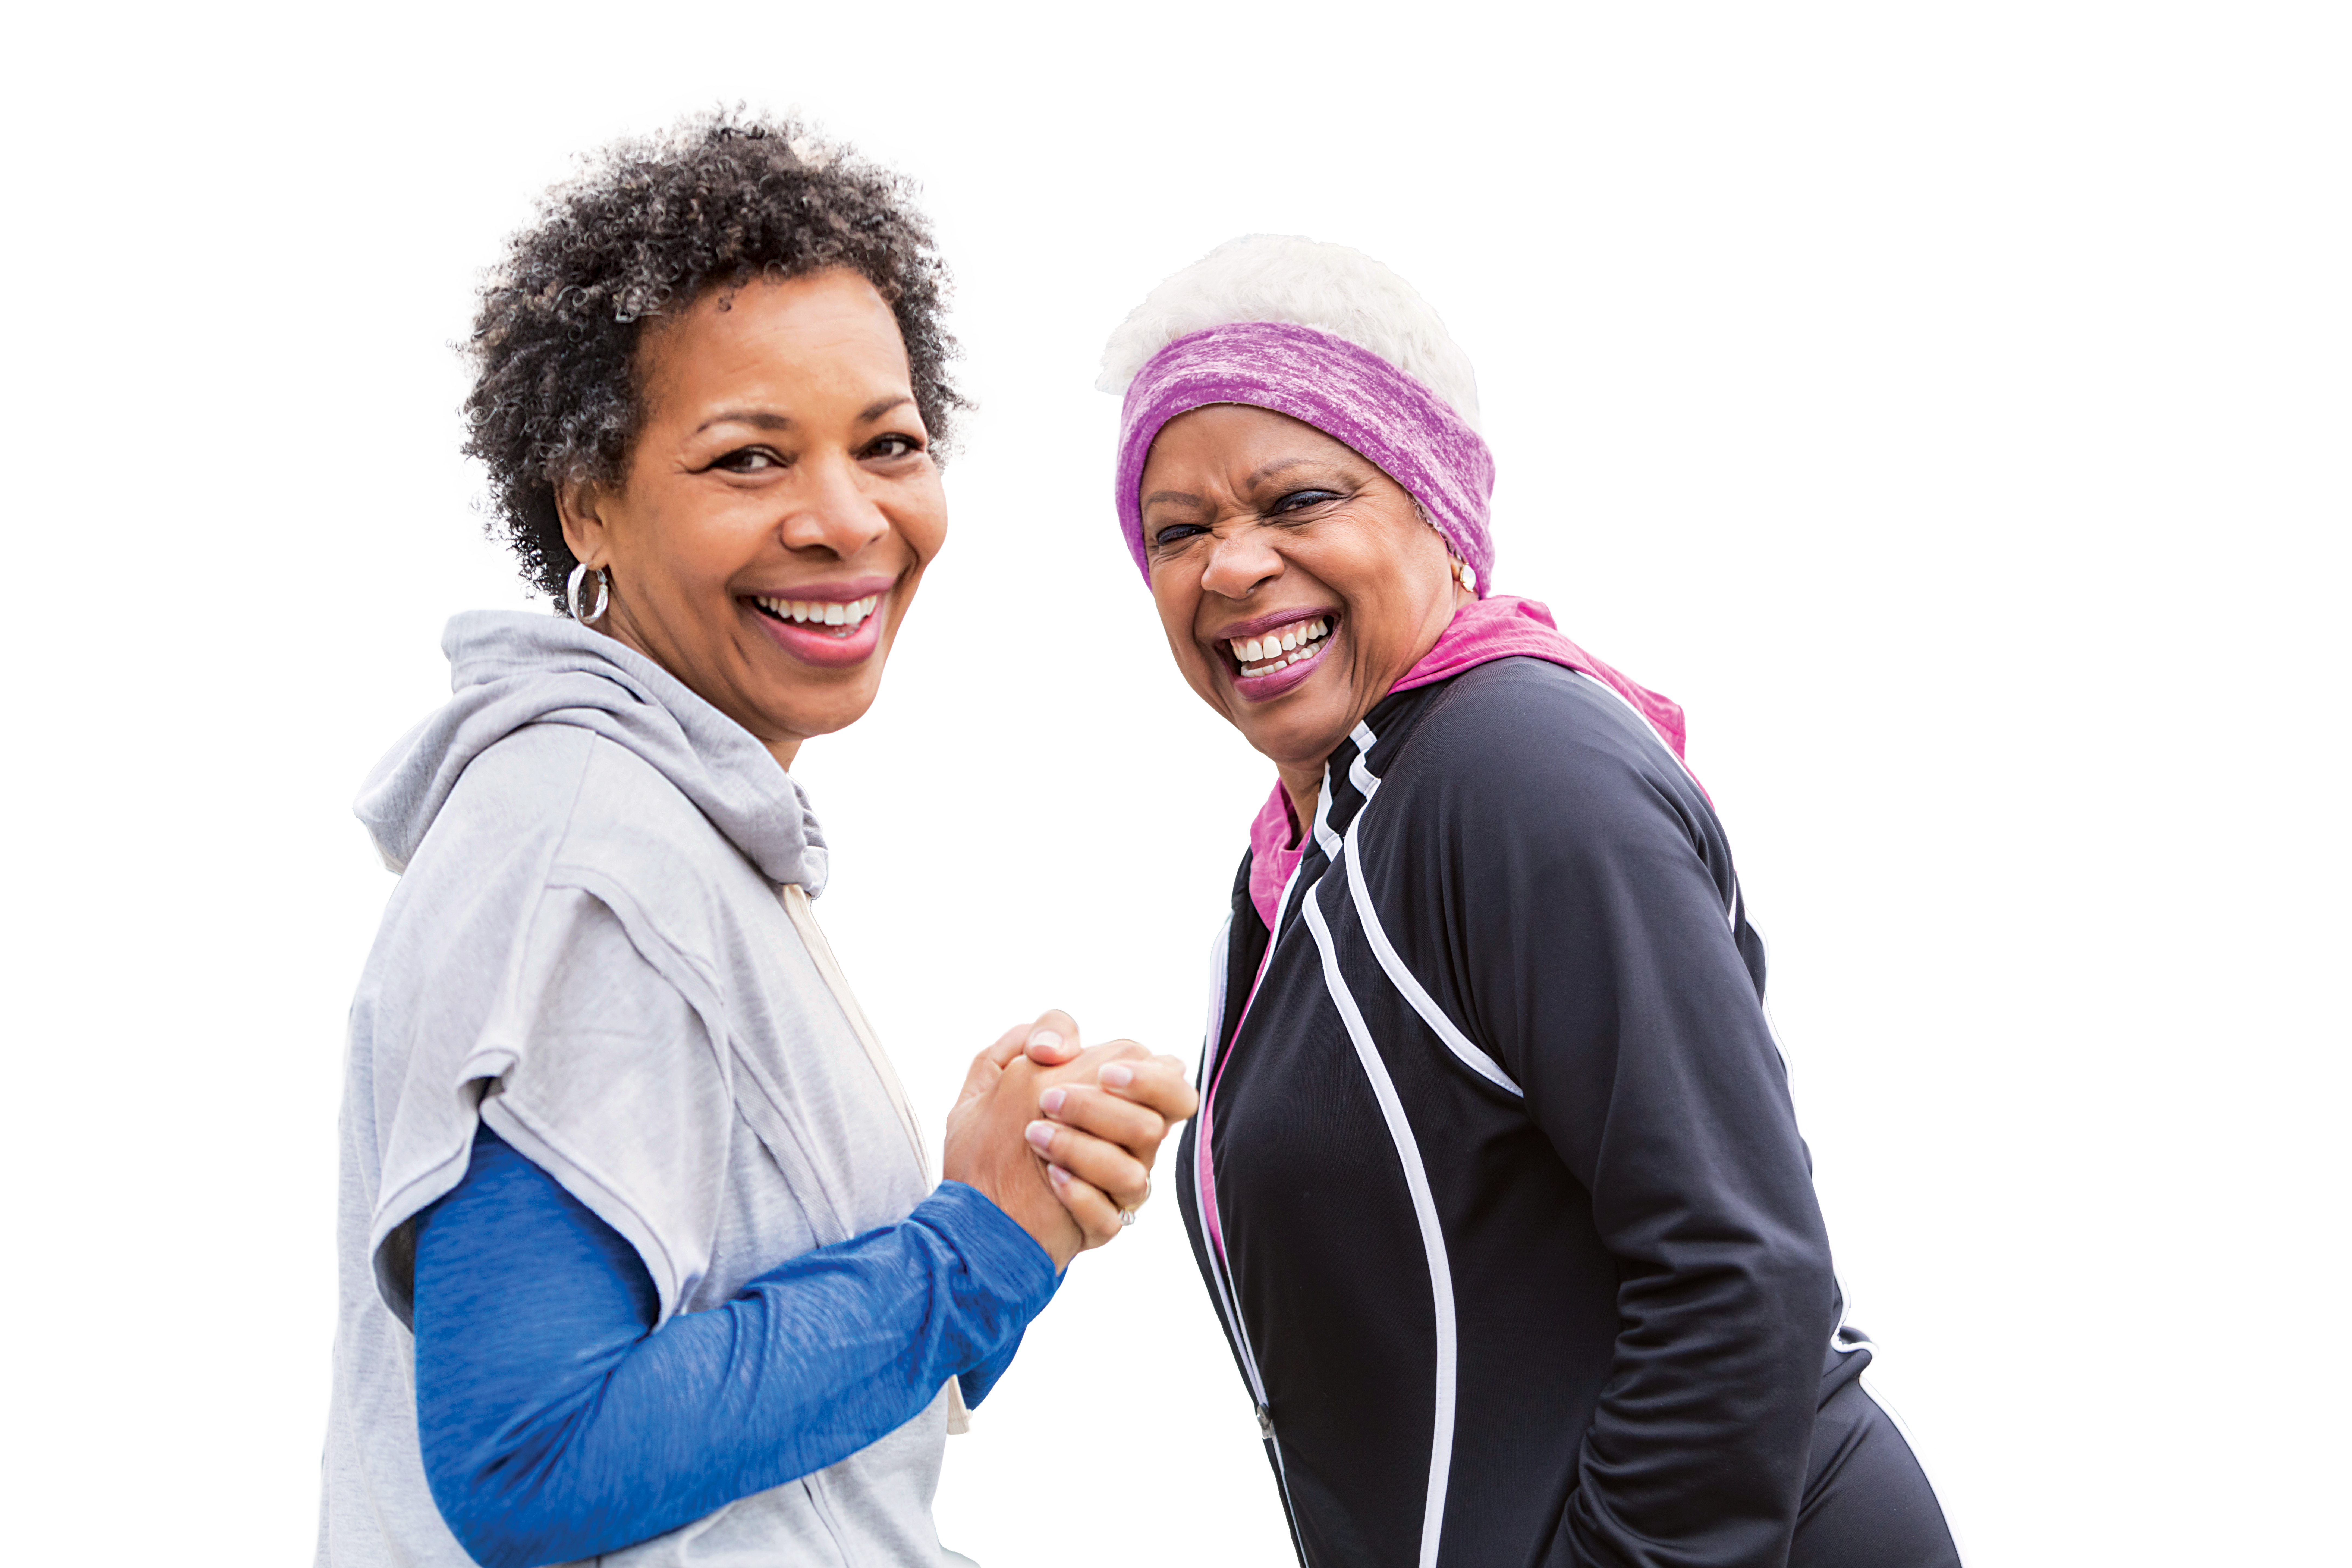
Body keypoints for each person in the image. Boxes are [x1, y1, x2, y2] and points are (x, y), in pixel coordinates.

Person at [323, 101, 1196, 1568]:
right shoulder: (589, 853)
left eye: (890, 443)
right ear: (587, 506)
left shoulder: (667, 806)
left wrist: (991, 1204)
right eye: (748, 459)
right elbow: (532, 1462)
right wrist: (971, 1246)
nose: (846, 519)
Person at [1087, 235, 1969, 1567]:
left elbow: (1742, 1272)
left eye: (1298, 500)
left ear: (1437, 508)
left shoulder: (1514, 769)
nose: (1228, 566)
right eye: (1178, 529)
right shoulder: (1322, 828)